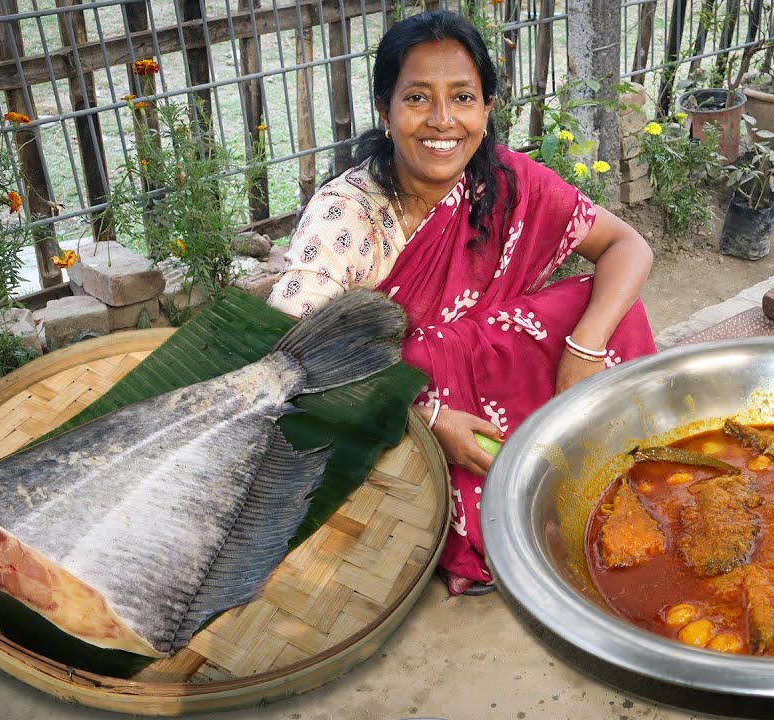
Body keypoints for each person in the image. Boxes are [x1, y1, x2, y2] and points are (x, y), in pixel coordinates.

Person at [267, 10, 656, 595]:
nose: (443, 121)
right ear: (386, 109)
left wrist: (584, 347)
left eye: (463, 98)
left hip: (500, 382)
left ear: (487, 108)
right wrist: (425, 415)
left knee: (603, 307)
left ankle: (569, 473)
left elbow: (628, 246)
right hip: (395, 405)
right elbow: (291, 354)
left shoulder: (507, 182)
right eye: (418, 97)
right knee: (422, 355)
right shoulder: (348, 213)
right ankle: (485, 509)